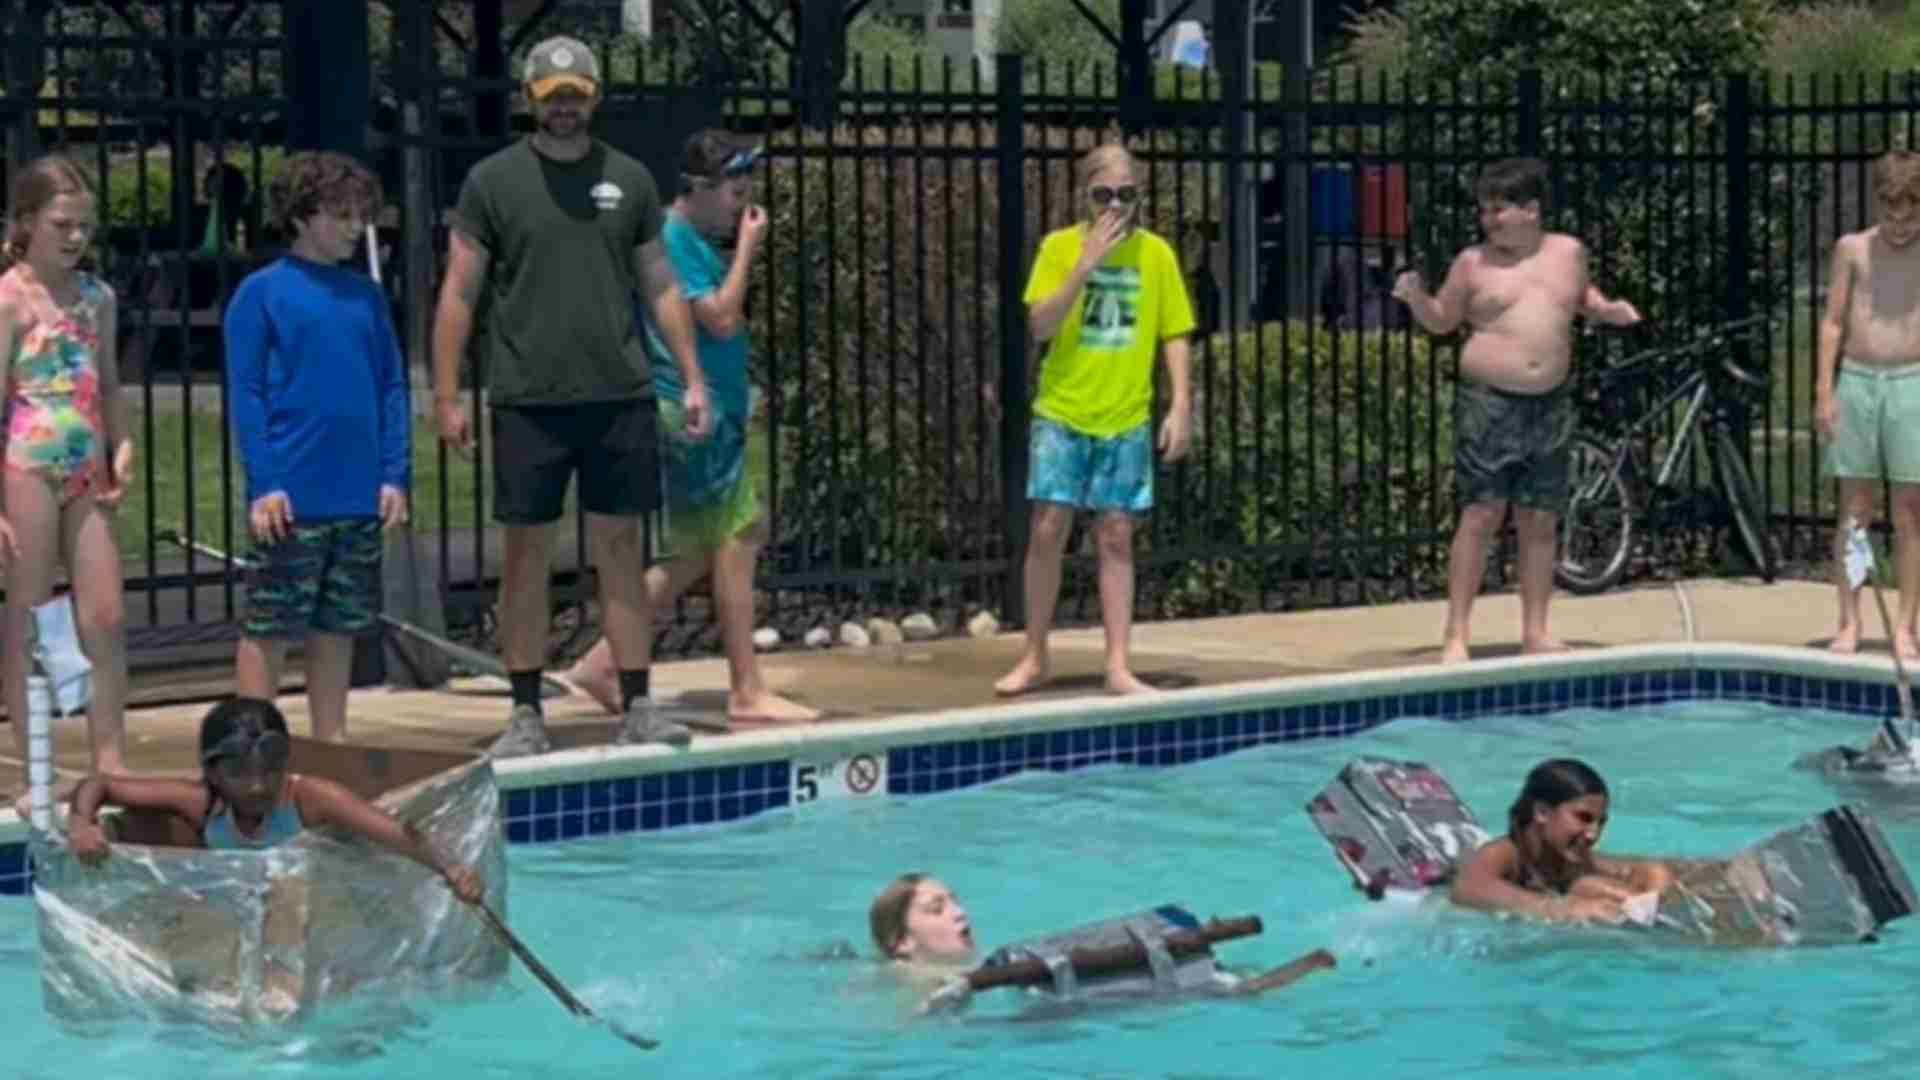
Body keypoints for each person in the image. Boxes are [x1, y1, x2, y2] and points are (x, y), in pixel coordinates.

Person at [431, 36, 713, 756]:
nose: (564, 109)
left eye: (575, 96)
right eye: (552, 96)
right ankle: (526, 710)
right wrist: (446, 392)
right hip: (528, 395)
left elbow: (659, 284)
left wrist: (691, 376)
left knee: (620, 550)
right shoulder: (493, 183)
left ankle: (638, 701)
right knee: (525, 554)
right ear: (531, 98)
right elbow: (459, 291)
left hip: (617, 392)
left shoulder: (629, 179)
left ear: (593, 97)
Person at [563, 130, 819, 728]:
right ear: (698, 188)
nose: (743, 202)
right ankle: (745, 689)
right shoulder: (673, 239)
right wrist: (749, 249)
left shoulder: (689, 239)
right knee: (735, 541)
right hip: (691, 413)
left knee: (706, 548)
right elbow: (722, 319)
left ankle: (602, 662)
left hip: (707, 413)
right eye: (734, 190)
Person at [1393, 157, 1641, 664]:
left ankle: (1536, 630)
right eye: (1485, 211)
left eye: (1499, 210)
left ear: (1531, 210)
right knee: (1481, 514)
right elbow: (1443, 321)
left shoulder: (1568, 253)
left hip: (1550, 404)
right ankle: (1456, 634)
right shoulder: (1472, 264)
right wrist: (1416, 297)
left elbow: (1580, 298)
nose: (1489, 220)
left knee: (1541, 518)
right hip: (1489, 404)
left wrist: (1607, 309)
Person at [994, 144, 1195, 699]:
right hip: (1063, 409)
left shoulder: (1156, 255)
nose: (1115, 205)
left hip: (1125, 414)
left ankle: (1118, 666)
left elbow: (1174, 332)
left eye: (1126, 195)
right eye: (1103, 195)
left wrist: (1180, 404)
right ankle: (1034, 656)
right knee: (1048, 526)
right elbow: (1039, 325)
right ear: (1083, 196)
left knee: (1115, 536)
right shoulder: (1059, 247)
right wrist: (1084, 264)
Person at [223, 151, 410, 742]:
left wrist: (394, 474)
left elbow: (392, 386)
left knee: (337, 629)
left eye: (362, 216)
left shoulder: (367, 297)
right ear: (302, 217)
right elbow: (247, 394)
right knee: (271, 625)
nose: (357, 228)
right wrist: (265, 483)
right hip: (293, 497)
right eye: (342, 215)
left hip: (356, 494)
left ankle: (330, 745)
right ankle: (251, 744)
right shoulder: (261, 294)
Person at [65, 697, 483, 900]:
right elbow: (99, 784)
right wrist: (80, 825)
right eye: (239, 774)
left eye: (269, 771)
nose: (256, 786)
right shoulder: (202, 801)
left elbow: (394, 833)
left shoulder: (310, 798)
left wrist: (451, 868)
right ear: (213, 772)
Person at [0, 154, 133, 783]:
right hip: (27, 466)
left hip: (87, 469)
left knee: (104, 616)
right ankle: (37, 770)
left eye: (83, 226)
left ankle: (110, 763)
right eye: (61, 224)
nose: (76, 237)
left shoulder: (97, 298)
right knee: (28, 617)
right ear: (26, 223)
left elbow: (107, 385)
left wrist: (124, 442)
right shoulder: (9, 300)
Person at [869, 873, 1336, 1008]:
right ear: (901, 943)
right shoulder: (902, 984)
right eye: (937, 909)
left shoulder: (1004, 960)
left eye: (955, 900)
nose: (960, 912)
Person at [1817, 150, 1920, 658]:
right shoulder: (1852, 249)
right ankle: (1850, 620)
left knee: (1910, 512)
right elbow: (1833, 322)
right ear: (1877, 203)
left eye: (1910, 213)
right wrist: (1823, 392)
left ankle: (1904, 627)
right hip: (1857, 381)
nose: (1900, 224)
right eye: (1890, 212)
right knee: (1854, 511)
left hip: (1912, 383)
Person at [1449, 758, 1672, 924]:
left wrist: (1654, 880)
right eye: (1583, 818)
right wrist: (1560, 908)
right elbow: (1468, 888)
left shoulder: (1573, 859)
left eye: (1600, 822)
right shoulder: (1505, 852)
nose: (1593, 834)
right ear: (1542, 812)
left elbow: (1641, 869)